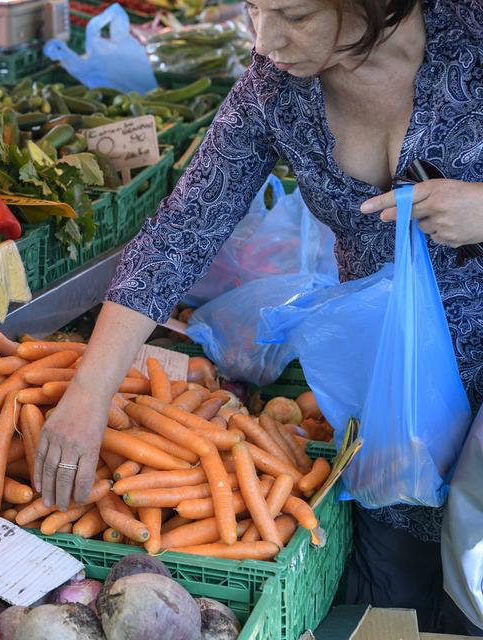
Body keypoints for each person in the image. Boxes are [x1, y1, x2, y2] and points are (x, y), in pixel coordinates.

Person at [35, 0, 483, 633]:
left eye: (294, 15)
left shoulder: (472, 38)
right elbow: (181, 232)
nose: (267, 40)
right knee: (398, 604)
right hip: (388, 410)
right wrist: (89, 389)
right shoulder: (277, 87)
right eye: (254, 9)